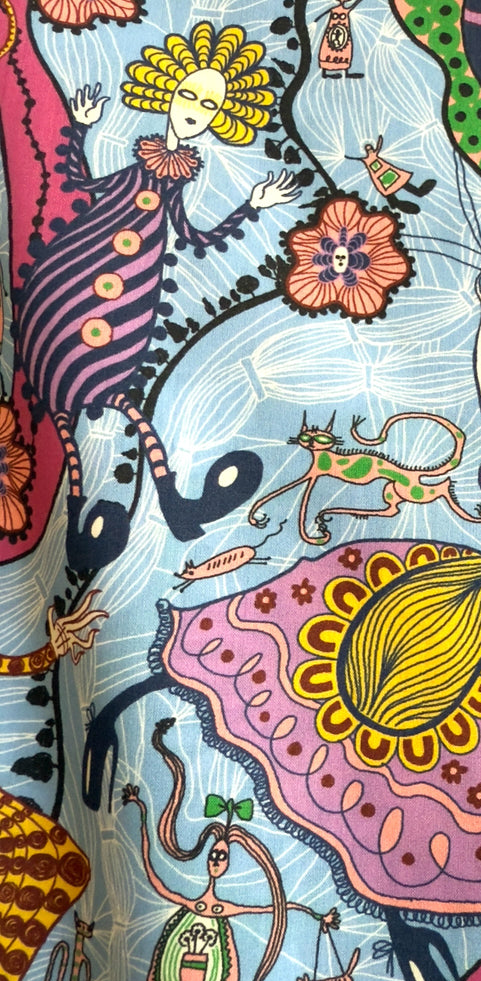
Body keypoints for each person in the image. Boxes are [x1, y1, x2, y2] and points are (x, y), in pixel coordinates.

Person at [13, 21, 299, 570]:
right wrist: (79, 128)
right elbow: (82, 186)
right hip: (75, 273)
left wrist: (253, 205)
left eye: (209, 106)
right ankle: (79, 526)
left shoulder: (176, 179)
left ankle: (173, 503)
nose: (195, 110)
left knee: (121, 396)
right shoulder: (138, 166)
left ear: (220, 118)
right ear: (166, 92)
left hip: (131, 291)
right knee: (69, 397)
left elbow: (194, 238)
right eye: (190, 95)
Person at [121, 719, 338, 981]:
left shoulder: (224, 908)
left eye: (221, 856)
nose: (216, 860)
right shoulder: (198, 904)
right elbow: (154, 877)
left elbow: (274, 908)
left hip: (209, 964)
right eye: (215, 854)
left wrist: (317, 916)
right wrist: (142, 813)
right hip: (177, 954)